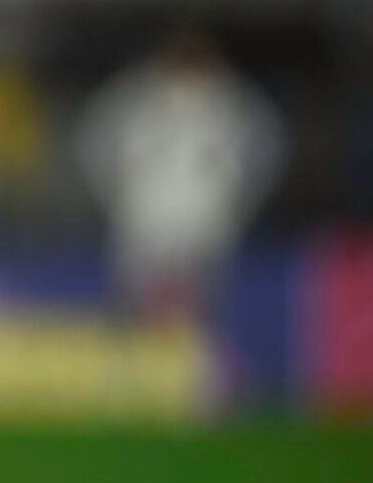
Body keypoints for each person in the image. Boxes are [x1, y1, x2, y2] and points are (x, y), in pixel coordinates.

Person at [76, 27, 287, 323]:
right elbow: (94, 145)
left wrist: (237, 208)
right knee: (134, 310)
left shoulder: (233, 102)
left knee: (199, 314)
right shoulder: (134, 98)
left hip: (204, 226)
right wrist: (117, 202)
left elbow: (267, 152)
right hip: (144, 223)